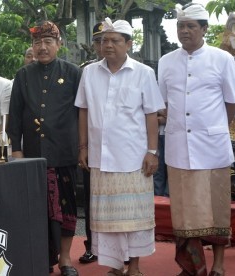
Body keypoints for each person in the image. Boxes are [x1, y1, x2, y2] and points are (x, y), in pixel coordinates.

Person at [75, 18, 165, 276]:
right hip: (101, 158)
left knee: (135, 218)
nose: (108, 45)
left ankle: (134, 267)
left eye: (115, 40)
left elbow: (151, 114)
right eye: (104, 40)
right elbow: (83, 110)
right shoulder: (90, 72)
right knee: (107, 218)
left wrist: (152, 151)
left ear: (129, 44)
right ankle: (114, 266)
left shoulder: (144, 73)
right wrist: (83, 147)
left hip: (134, 158)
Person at [158, 4, 235, 276]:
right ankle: (192, 265)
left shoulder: (222, 59)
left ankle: (217, 265)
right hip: (179, 148)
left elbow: (231, 102)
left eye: (191, 26)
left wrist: (215, 128)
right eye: (181, 26)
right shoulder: (165, 61)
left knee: (216, 210)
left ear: (204, 29)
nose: (185, 31)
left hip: (213, 148)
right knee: (184, 212)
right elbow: (162, 104)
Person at [7, 21, 81, 276]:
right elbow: (14, 116)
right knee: (37, 210)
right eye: (37, 43)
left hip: (64, 152)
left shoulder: (73, 73)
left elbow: (83, 113)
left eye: (48, 42)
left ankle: (67, 259)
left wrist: (83, 147)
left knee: (66, 206)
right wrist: (16, 151)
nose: (42, 47)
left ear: (59, 44)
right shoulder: (23, 75)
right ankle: (42, 257)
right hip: (33, 155)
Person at [78, 21, 103, 265]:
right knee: (90, 200)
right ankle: (92, 245)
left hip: (123, 148)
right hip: (93, 146)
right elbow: (80, 111)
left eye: (107, 39)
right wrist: (82, 146)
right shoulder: (85, 70)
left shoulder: (136, 69)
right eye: (97, 40)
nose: (102, 44)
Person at [153, 108, 169, 196]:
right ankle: (157, 204)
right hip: (157, 134)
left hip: (175, 136)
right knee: (157, 172)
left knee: (172, 172)